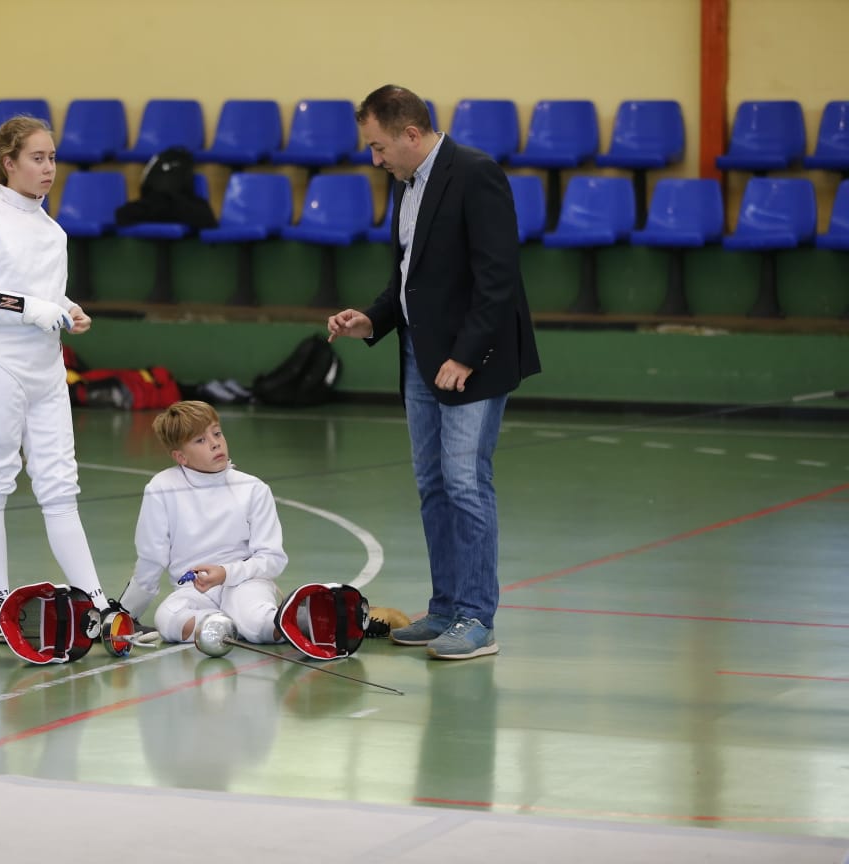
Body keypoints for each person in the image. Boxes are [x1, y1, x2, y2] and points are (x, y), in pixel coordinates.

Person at [327, 85, 541, 661]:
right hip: (421, 360)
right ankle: (445, 607)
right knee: (434, 486)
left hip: (471, 363)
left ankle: (477, 618)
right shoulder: (408, 185)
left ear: (411, 135)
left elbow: (498, 278)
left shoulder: (477, 174)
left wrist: (466, 355)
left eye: (378, 147)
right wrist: (370, 318)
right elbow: (411, 280)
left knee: (467, 483)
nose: (375, 159)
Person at [0, 115, 113, 638]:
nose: (48, 168)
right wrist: (25, 307)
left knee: (60, 488)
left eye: (53, 157)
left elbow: (45, 296)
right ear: (8, 163)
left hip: (46, 372)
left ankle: (96, 602)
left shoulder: (53, 232)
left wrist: (67, 308)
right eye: (37, 158)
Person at [117, 401, 287, 644]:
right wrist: (126, 613)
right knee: (166, 617)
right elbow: (151, 559)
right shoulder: (161, 488)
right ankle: (218, 626)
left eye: (217, 433)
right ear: (180, 456)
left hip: (244, 582)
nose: (215, 443)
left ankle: (286, 624)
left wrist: (226, 573)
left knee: (257, 621)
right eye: (200, 440)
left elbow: (272, 559)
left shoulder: (253, 489)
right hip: (193, 591)